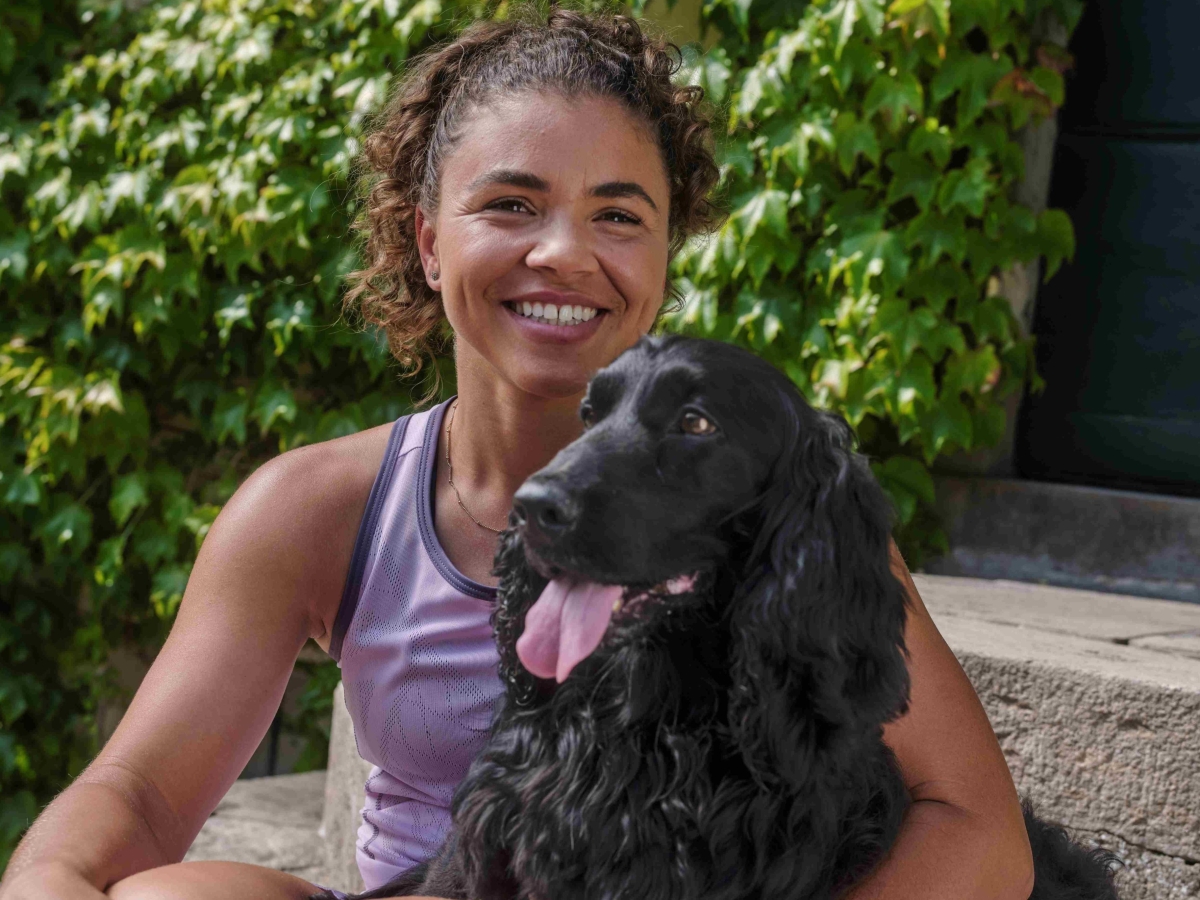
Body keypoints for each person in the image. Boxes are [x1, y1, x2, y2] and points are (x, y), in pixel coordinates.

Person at [0, 10, 1035, 900]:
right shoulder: (319, 509)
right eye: (510, 204)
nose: (564, 252)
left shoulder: (757, 506)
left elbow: (977, 834)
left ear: (664, 255)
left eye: (618, 216)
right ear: (427, 239)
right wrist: (44, 882)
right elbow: (137, 793)